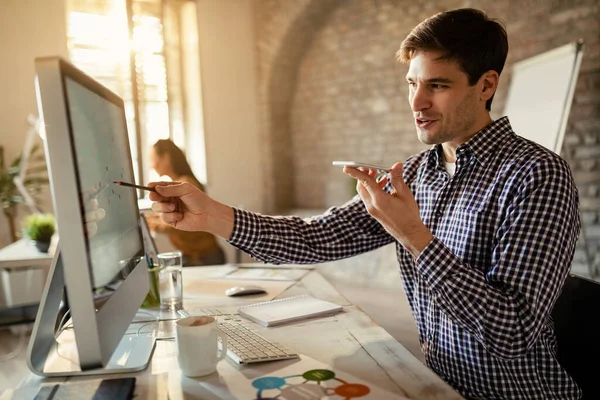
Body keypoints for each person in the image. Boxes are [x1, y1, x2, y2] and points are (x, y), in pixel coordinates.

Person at [148, 8, 581, 400]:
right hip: (434, 384)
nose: (416, 103)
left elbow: (513, 331)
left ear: (486, 85)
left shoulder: (537, 176)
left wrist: (412, 234)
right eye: (412, 83)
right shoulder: (414, 175)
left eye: (438, 85)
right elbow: (315, 239)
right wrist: (212, 215)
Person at [146, 139, 225, 266]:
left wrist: (148, 223)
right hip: (195, 255)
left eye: (153, 158)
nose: (152, 165)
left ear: (166, 157)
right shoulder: (180, 183)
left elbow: (180, 221)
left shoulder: (185, 184)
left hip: (203, 257)